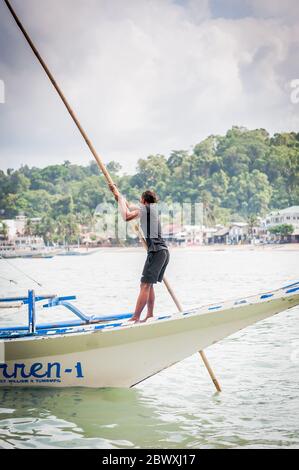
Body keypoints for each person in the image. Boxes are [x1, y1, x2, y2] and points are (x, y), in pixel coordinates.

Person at [109, 185, 169, 323]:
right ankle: (149, 315)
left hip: (156, 252)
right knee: (149, 285)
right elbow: (129, 207)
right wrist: (117, 194)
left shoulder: (146, 209)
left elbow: (126, 215)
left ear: (144, 200)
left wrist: (120, 199)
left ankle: (136, 316)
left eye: (140, 200)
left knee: (144, 285)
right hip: (162, 252)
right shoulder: (151, 209)